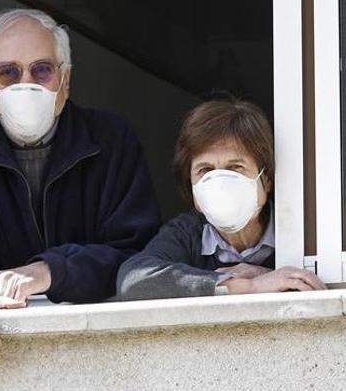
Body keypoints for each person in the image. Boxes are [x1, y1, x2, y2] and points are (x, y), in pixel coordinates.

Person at [0, 8, 160, 366]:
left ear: (64, 82)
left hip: (101, 356)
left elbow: (142, 258)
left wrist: (48, 272)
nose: (26, 83)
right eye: (8, 73)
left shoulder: (111, 140)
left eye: (42, 69)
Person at [117, 97, 325, 300]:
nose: (220, 182)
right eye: (205, 170)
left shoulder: (303, 231)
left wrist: (265, 273)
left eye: (235, 167)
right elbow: (134, 280)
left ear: (267, 179)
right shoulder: (188, 233)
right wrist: (244, 285)